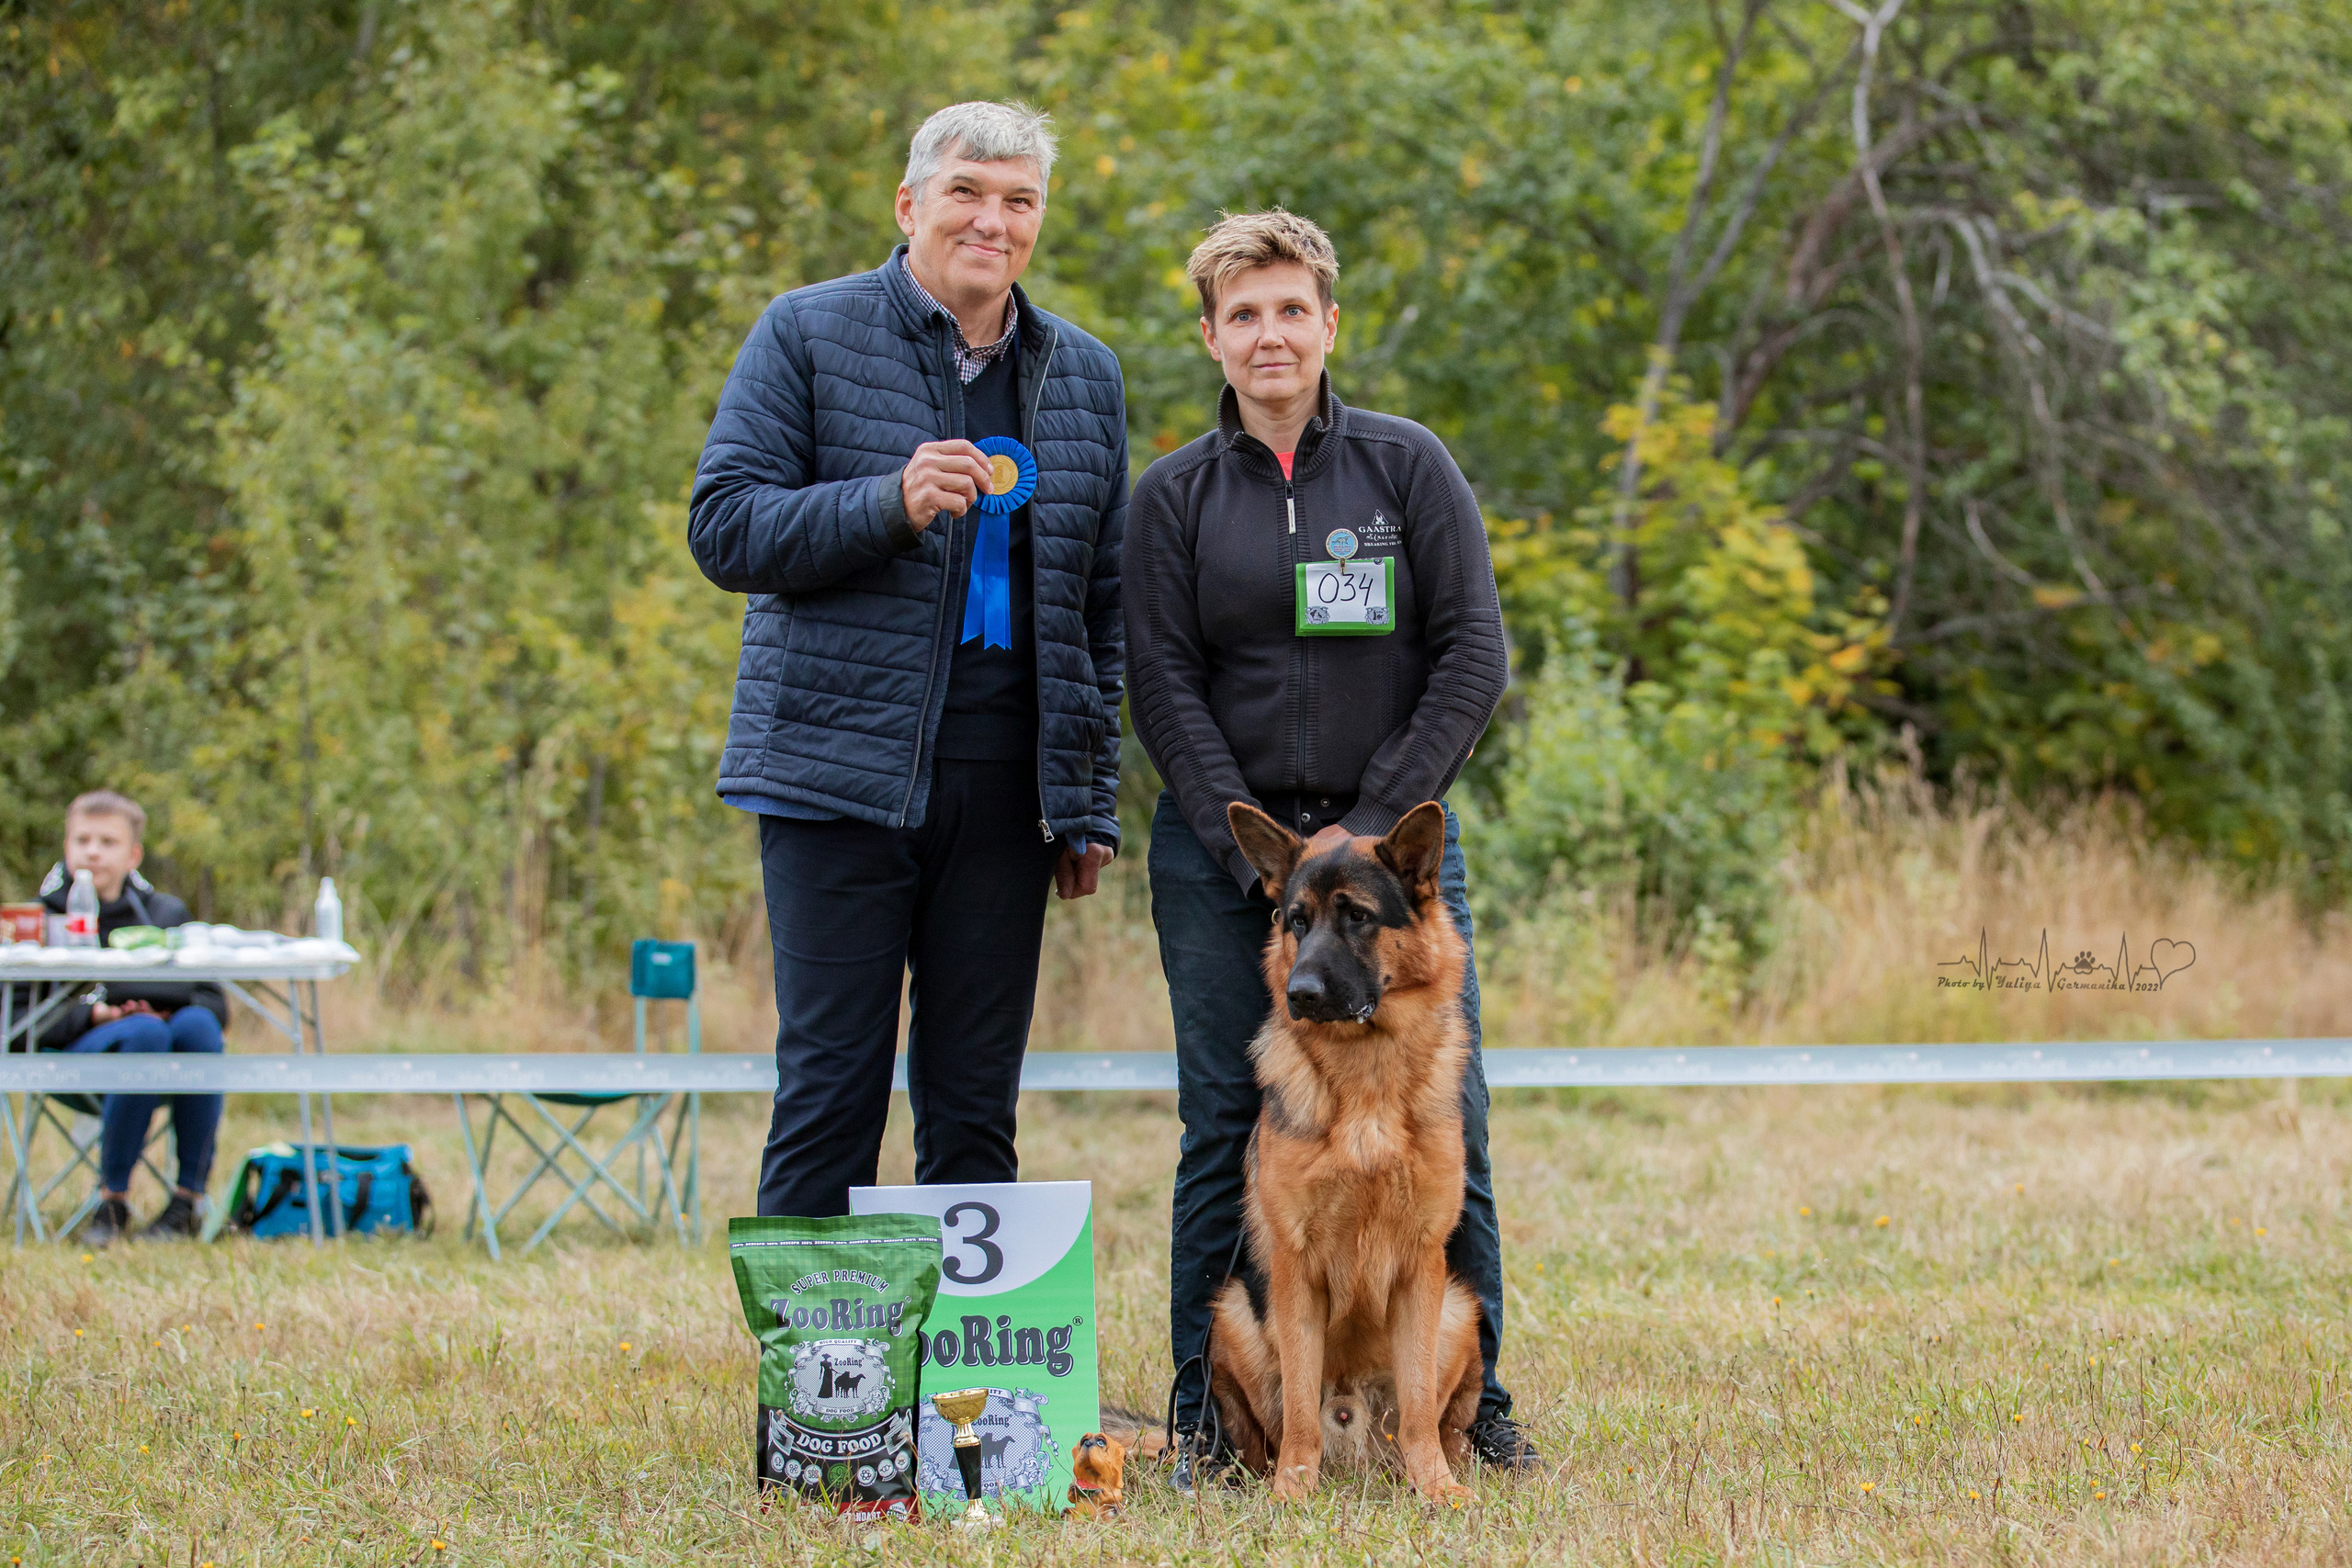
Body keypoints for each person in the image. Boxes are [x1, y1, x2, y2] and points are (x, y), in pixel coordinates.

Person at [1124, 209, 1531, 1482]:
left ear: (1329, 323)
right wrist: (1260, 854)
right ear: (1211, 338)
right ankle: (1209, 1414)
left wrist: (1368, 828)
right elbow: (1161, 685)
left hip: (1389, 870)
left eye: (1291, 308)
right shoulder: (1173, 498)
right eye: (1243, 314)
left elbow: (1474, 656)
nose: (1270, 333)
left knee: (1444, 1115)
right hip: (1228, 860)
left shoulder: (1410, 469)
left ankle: (1478, 1408)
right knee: (1218, 1124)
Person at [688, 101, 1127, 1218]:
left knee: (975, 1101)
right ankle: (820, 1393)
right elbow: (726, 528)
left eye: (1018, 200)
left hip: (1004, 797)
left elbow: (1099, 607)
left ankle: (966, 1395)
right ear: (909, 204)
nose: (993, 220)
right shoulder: (804, 331)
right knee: (833, 1090)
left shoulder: (1084, 373)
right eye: (968, 194)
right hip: (836, 776)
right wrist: (884, 503)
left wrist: (1083, 803)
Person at [20, 791, 229, 1245]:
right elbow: (14, 1020)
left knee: (196, 1026)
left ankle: (186, 1202)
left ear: (133, 854)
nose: (92, 851)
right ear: (67, 845)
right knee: (144, 1032)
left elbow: (215, 1003)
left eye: (107, 842)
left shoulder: (165, 915)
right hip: (72, 1061)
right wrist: (96, 1015)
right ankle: (111, 1202)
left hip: (165, 1060)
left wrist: (168, 1006)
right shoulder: (35, 919)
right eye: (82, 840)